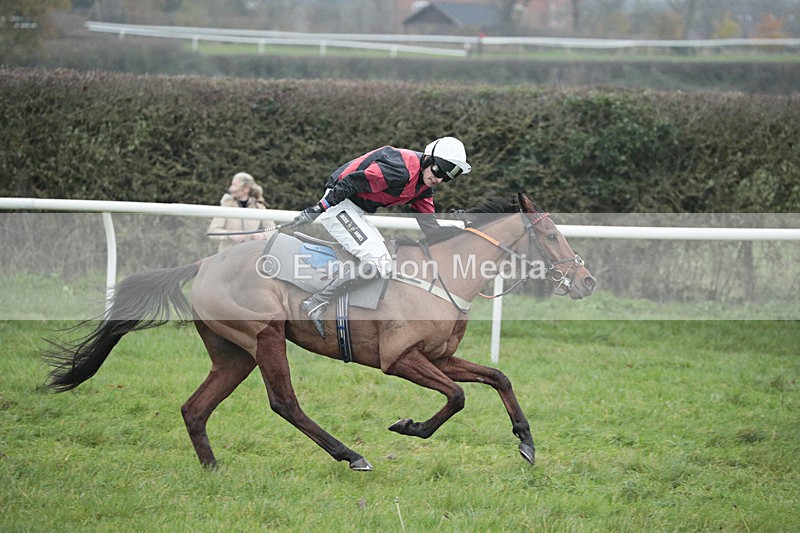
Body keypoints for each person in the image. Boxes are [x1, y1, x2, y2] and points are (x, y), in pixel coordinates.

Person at [286, 136, 471, 336]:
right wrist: (318, 208)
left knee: (384, 258)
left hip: (353, 210)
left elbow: (431, 229)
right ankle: (316, 302)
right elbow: (352, 181)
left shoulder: (423, 188)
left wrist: (461, 227)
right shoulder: (400, 169)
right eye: (437, 171)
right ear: (427, 159)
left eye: (446, 177)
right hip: (339, 204)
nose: (439, 179)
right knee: (379, 261)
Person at [207, 172, 276, 253]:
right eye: (232, 184)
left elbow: (273, 229)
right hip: (227, 257)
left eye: (235, 185)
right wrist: (229, 235)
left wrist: (263, 235)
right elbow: (212, 231)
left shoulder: (259, 208)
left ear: (246, 189)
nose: (231, 188)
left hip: (250, 256)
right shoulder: (226, 206)